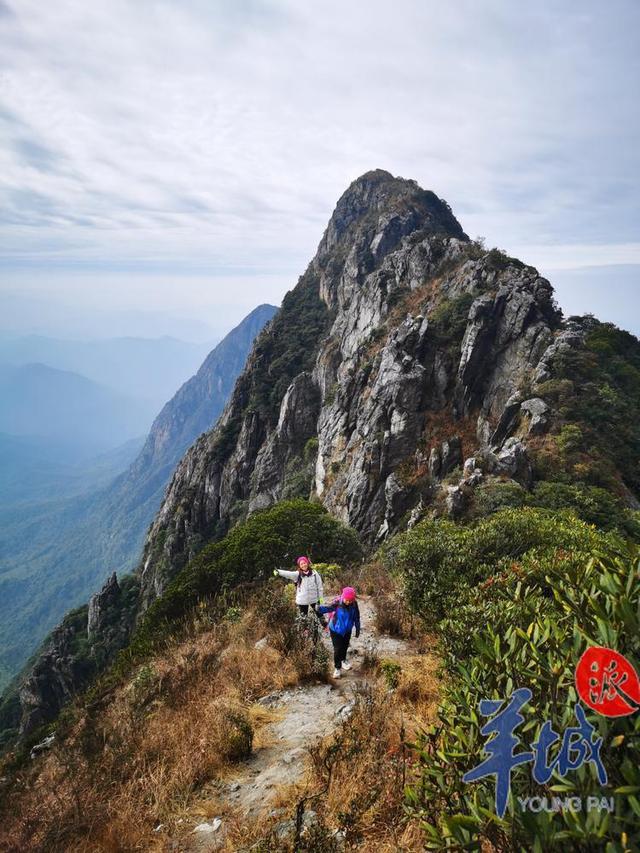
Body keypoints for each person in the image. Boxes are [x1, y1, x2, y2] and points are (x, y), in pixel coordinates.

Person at [319, 586, 360, 679]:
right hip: (335, 630)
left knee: (345, 646)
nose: (348, 602)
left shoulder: (354, 604)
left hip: (347, 630)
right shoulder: (337, 603)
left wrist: (357, 628)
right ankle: (337, 668)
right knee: (337, 649)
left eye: (350, 600)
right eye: (347, 600)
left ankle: (343, 660)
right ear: (343, 596)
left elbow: (357, 617)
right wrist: (319, 609)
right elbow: (328, 608)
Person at [274, 556, 325, 623]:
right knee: (303, 617)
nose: (304, 565)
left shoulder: (314, 573)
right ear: (299, 566)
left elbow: (319, 586)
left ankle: (325, 626)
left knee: (319, 613)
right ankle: (305, 631)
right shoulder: (297, 574)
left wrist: (320, 598)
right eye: (301, 564)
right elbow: (288, 574)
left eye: (304, 563)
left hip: (314, 599)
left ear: (307, 563)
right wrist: (279, 572)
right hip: (302, 600)